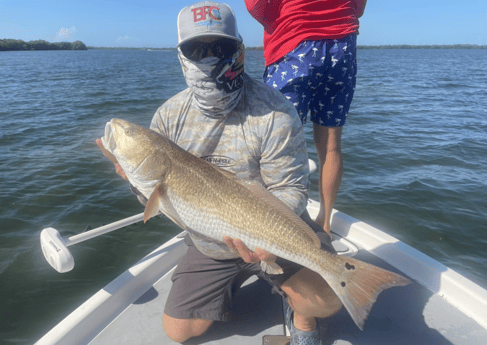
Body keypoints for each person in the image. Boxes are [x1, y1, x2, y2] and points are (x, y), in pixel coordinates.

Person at [98, 2, 341, 344]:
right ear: (181, 55)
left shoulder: (276, 112)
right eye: (196, 49)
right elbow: (155, 195)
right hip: (210, 241)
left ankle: (299, 314)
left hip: (273, 228)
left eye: (221, 47)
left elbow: (290, 188)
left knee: (327, 299)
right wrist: (133, 181)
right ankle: (233, 285)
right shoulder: (167, 117)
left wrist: (269, 242)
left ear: (239, 49)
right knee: (178, 332)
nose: (209, 57)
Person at [245, 0, 367, 236]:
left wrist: (278, 22)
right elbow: (358, 6)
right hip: (341, 46)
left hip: (295, 44)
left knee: (276, 145)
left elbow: (256, 5)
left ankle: (279, 228)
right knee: (331, 146)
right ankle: (324, 224)